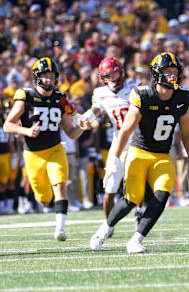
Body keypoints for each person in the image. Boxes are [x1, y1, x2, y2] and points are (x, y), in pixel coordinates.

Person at [88, 52, 189, 253]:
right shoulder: (144, 95)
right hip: (139, 152)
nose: (173, 76)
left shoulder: (183, 96)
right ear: (158, 74)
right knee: (132, 198)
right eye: (168, 73)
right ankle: (104, 229)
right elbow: (125, 130)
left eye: (175, 72)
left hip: (162, 155)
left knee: (162, 194)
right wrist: (114, 160)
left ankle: (136, 240)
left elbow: (186, 131)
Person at [3, 57, 86, 240]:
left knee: (60, 185)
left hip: (55, 149)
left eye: (51, 76)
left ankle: (60, 229)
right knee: (43, 198)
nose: (49, 80)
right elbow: (7, 125)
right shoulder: (26, 96)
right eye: (45, 76)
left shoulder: (60, 99)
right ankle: (48, 205)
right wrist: (26, 130)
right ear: (37, 77)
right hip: (33, 155)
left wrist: (82, 128)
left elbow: (71, 133)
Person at [75, 57, 140, 240]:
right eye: (107, 75)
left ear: (121, 72)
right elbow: (96, 109)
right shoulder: (100, 93)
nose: (111, 78)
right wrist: (86, 118)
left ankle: (139, 213)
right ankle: (108, 225)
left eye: (114, 74)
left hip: (137, 143)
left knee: (135, 184)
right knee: (109, 191)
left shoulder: (135, 87)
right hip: (118, 143)